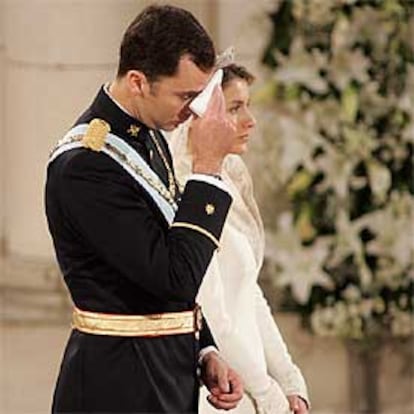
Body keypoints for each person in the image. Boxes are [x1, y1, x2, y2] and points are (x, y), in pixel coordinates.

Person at [45, 5, 244, 413]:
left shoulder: (147, 134)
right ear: (138, 81)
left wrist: (204, 348)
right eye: (185, 95)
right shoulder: (87, 164)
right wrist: (207, 168)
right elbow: (173, 278)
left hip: (165, 374)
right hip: (117, 386)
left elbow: (157, 263)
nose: (192, 111)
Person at [170, 64, 311, 414]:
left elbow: (249, 292)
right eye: (234, 108)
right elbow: (214, 316)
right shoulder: (188, 197)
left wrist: (290, 380)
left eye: (248, 106)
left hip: (251, 384)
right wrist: (265, 394)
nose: (250, 120)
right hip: (221, 390)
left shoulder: (224, 184)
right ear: (199, 117)